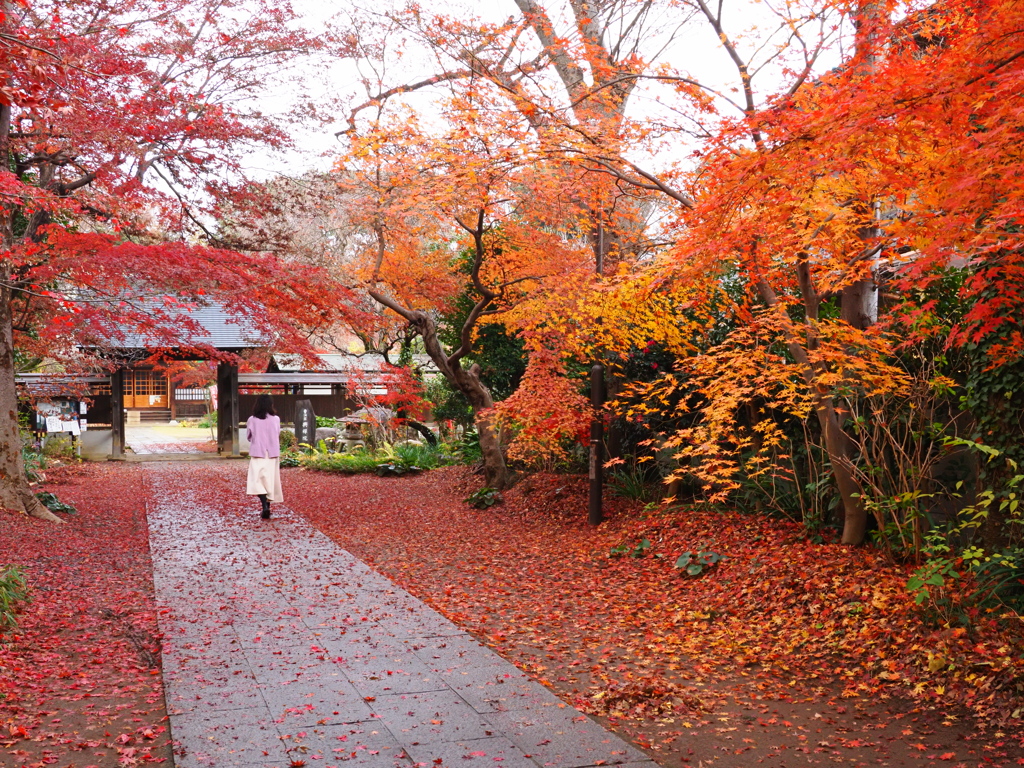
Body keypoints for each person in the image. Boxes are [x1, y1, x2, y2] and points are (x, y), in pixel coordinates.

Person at [246, 394, 282, 519]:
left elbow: (249, 436)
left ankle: (264, 506)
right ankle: (267, 507)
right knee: (270, 481)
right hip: (272, 453)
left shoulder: (252, 419)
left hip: (258, 452)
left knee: (257, 480)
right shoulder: (276, 419)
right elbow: (277, 434)